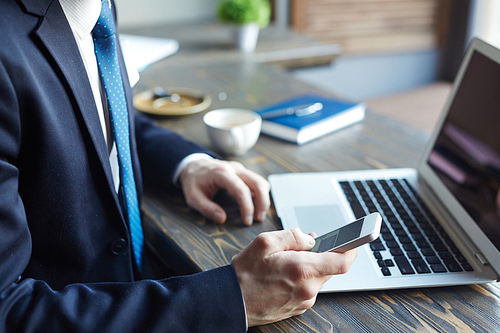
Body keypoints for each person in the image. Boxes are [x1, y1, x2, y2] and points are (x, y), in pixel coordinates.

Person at [0, 0, 357, 331]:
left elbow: (101, 115)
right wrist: (236, 298)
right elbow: (7, 310)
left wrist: (189, 164)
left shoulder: (94, 8)